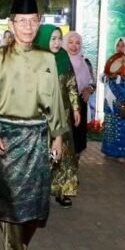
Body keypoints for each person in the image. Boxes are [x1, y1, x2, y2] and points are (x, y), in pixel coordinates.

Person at [0, 0, 67, 250]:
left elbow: (55, 101)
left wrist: (58, 136)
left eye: (32, 21)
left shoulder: (48, 59)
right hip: (4, 139)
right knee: (11, 204)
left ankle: (20, 244)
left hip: (38, 138)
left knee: (36, 207)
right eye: (21, 21)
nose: (27, 27)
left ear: (39, 23)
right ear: (11, 25)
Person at [34, 25, 80, 207]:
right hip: (42, 115)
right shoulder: (36, 59)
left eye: (59, 38)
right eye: (52, 39)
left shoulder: (63, 57)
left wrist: (75, 108)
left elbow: (71, 84)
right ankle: (39, 192)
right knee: (43, 153)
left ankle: (63, 189)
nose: (57, 42)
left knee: (63, 153)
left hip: (63, 114)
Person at [101, 37, 125, 161]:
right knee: (111, 124)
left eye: (123, 45)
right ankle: (110, 151)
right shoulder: (111, 61)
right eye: (118, 46)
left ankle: (123, 154)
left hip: (123, 99)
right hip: (110, 99)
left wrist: (123, 71)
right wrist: (109, 76)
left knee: (123, 125)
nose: (120, 48)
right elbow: (102, 77)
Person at [63, 31, 94, 157]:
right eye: (70, 42)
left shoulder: (86, 62)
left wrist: (89, 89)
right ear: (65, 43)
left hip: (81, 103)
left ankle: (75, 164)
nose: (74, 46)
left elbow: (92, 82)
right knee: (64, 137)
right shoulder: (60, 62)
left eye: (77, 43)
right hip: (64, 103)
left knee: (78, 139)